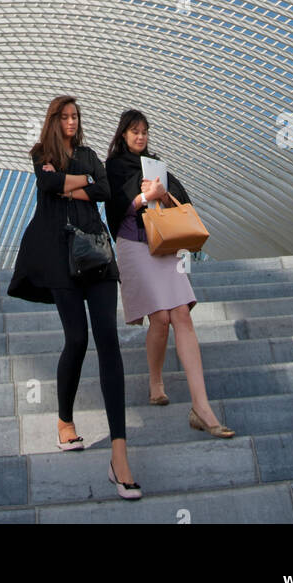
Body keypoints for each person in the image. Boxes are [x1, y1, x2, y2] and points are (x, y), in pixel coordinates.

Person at [7, 96, 141, 499]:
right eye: (64, 116)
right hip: (59, 258)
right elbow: (47, 183)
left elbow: (103, 190)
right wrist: (73, 182)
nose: (71, 121)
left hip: (97, 256)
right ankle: (65, 421)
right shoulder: (40, 154)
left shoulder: (87, 154)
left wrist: (71, 182)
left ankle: (120, 457)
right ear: (53, 120)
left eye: (75, 116)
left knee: (109, 343)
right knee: (77, 340)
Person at [105, 109, 235, 437]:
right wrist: (143, 197)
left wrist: (162, 193)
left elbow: (183, 201)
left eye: (144, 131)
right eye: (134, 131)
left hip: (163, 244)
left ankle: (201, 407)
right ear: (123, 134)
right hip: (134, 244)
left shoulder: (157, 166)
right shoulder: (115, 166)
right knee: (159, 318)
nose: (140, 136)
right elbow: (115, 207)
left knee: (182, 315)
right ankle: (155, 380)